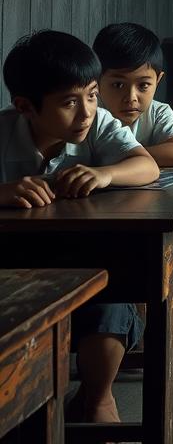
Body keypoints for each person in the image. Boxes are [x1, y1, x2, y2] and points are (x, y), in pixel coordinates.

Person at [0, 30, 159, 424]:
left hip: (81, 257)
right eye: (70, 102)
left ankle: (98, 398)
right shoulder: (2, 132)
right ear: (25, 106)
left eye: (91, 94)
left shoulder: (99, 123)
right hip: (13, 269)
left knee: (112, 294)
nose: (86, 111)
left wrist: (106, 174)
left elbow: (147, 166)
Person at [93, 22, 173, 166]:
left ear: (157, 81)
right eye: (118, 85)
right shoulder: (89, 114)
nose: (131, 97)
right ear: (96, 81)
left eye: (143, 85)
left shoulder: (157, 112)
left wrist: (116, 156)